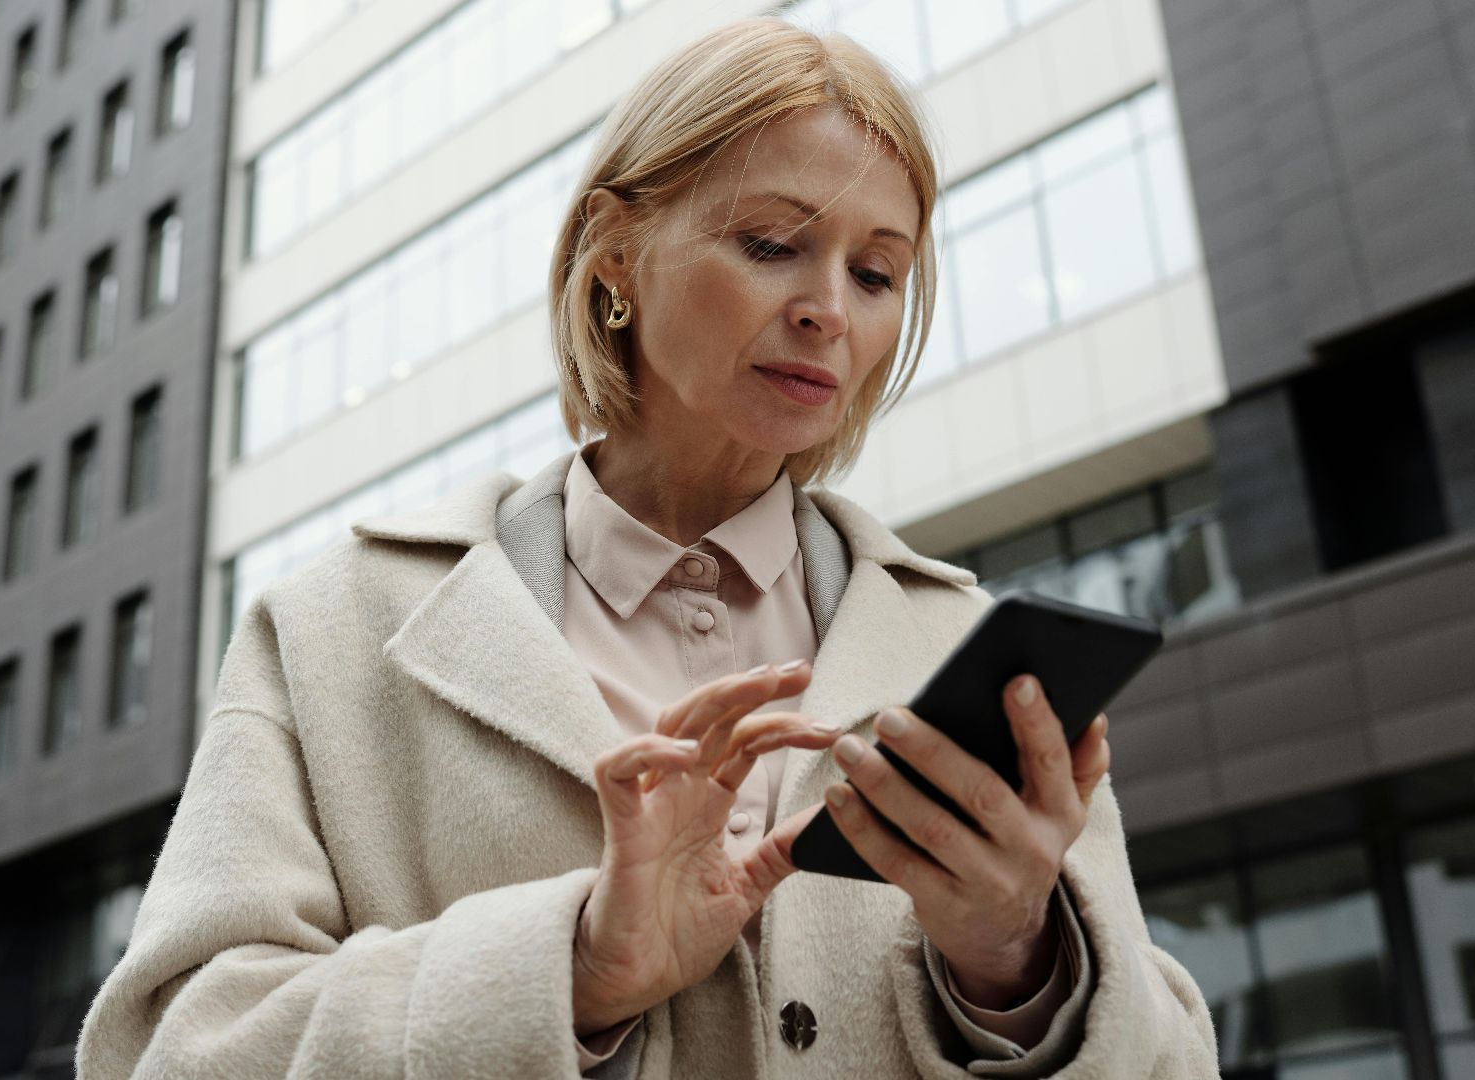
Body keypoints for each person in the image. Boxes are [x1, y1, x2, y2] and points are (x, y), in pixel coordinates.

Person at [75, 16, 1217, 1079]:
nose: (830, 307)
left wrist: (1016, 962)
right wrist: (573, 969)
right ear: (616, 256)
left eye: (877, 274)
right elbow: (166, 1047)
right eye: (773, 243)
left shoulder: (968, 651)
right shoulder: (334, 629)